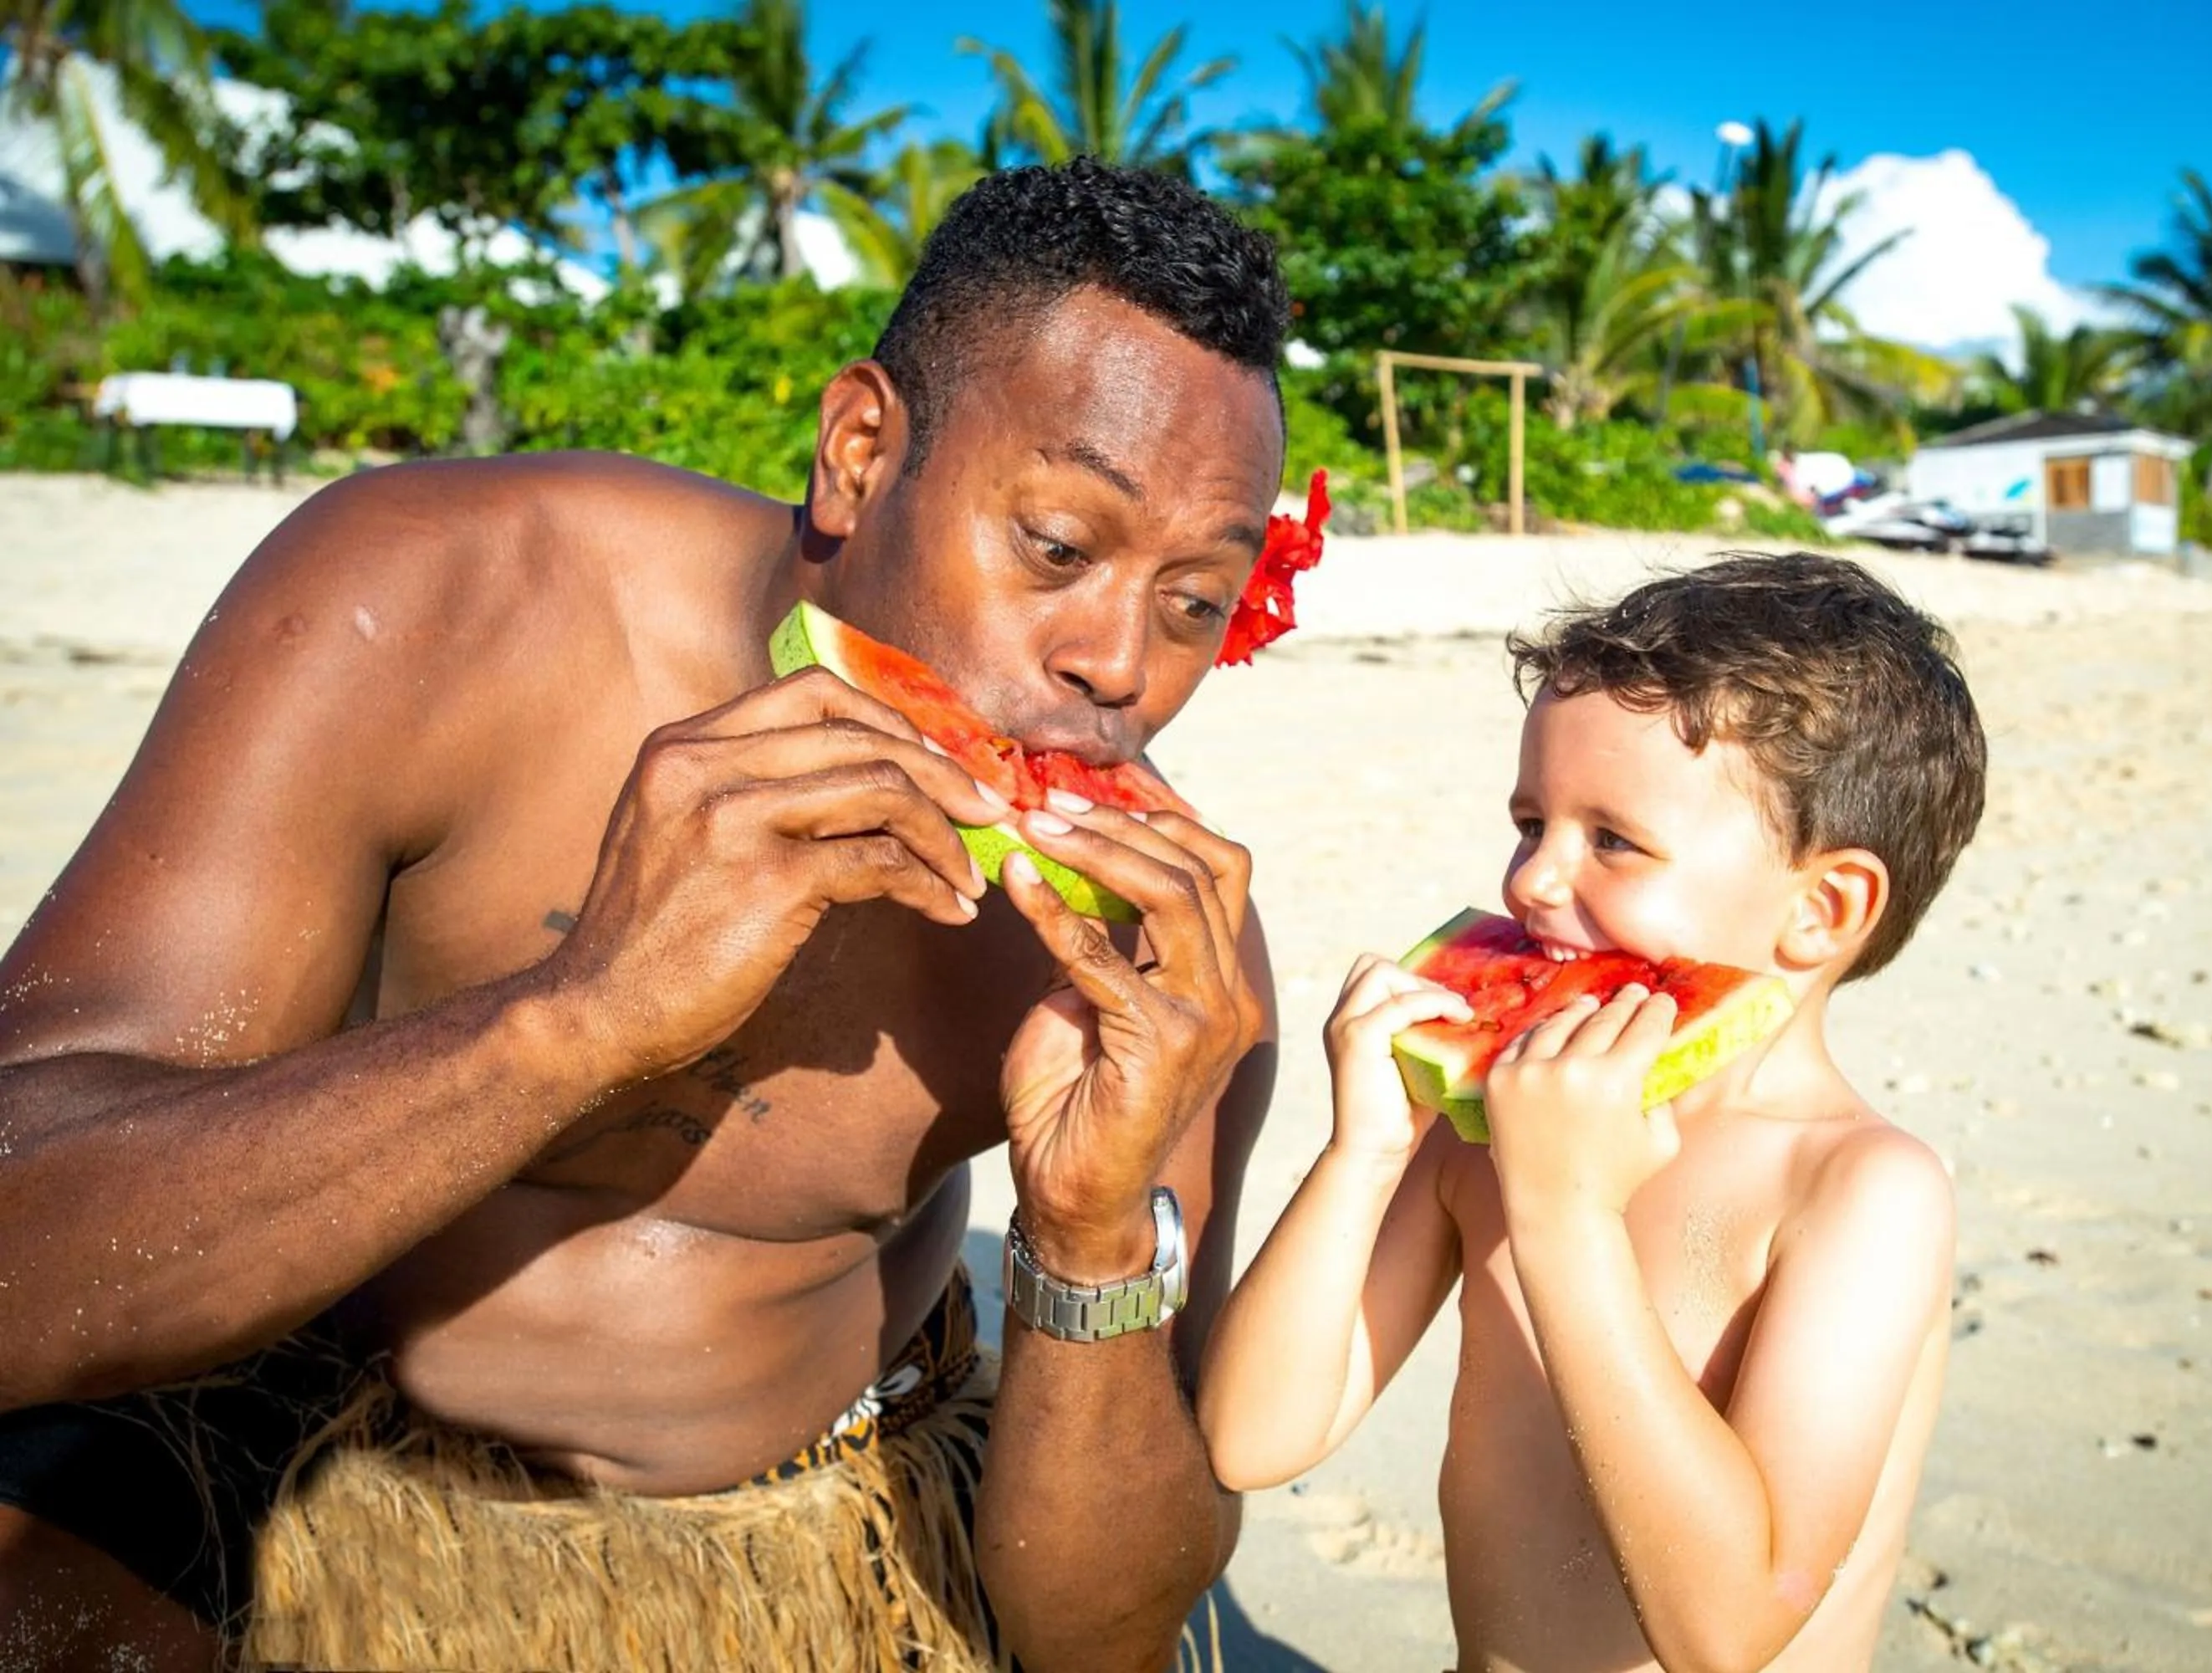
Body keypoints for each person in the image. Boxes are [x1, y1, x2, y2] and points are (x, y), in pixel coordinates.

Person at [0, 158, 1290, 1673]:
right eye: (1059, 549)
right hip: (294, 1458)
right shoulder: (434, 600)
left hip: (826, 1524)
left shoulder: (1165, 965)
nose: (1116, 666)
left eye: (1194, 603)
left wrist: (1085, 1240)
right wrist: (579, 1020)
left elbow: (1102, 1636)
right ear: (861, 452)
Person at [1198, 553, 1987, 1672]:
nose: (1530, 880)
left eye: (1612, 840)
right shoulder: (1483, 1128)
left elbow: (1727, 1631)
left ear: (1824, 908)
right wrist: (1364, 1152)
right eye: (1532, 823)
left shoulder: (1860, 1193)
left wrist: (1567, 1218)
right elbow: (1251, 1437)